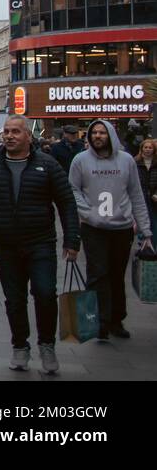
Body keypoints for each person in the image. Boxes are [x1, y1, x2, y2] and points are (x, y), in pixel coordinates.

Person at [0, 114, 79, 374]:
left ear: (28, 136)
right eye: (6, 131)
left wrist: (72, 238)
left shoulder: (47, 164)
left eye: (15, 132)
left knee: (44, 293)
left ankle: (47, 345)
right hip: (6, 243)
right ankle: (20, 346)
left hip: (40, 241)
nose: (9, 136)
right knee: (14, 299)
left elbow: (66, 202)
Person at [68, 119, 154, 340]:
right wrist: (88, 213)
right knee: (97, 273)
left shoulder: (126, 161)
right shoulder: (80, 160)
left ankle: (117, 319)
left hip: (122, 228)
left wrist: (146, 231)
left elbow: (136, 195)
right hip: (93, 228)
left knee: (117, 274)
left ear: (111, 136)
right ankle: (98, 322)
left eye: (102, 133)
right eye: (94, 132)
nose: (98, 136)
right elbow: (73, 190)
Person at [135, 137, 157, 230]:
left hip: (154, 198)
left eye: (150, 147)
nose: (148, 149)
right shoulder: (135, 162)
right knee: (141, 223)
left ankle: (153, 243)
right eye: (146, 147)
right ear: (141, 149)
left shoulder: (156, 163)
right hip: (140, 196)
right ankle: (143, 242)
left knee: (154, 223)